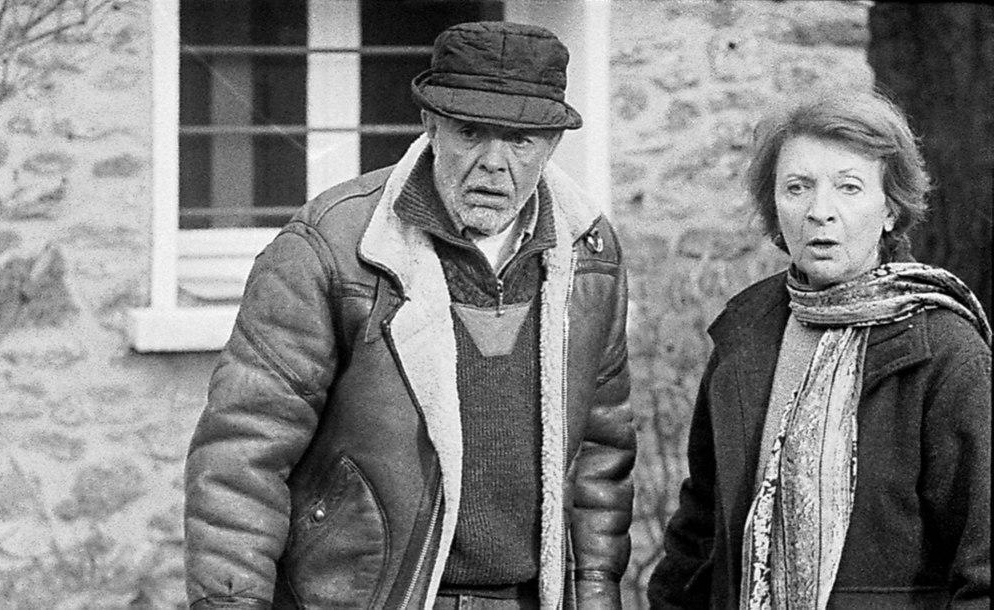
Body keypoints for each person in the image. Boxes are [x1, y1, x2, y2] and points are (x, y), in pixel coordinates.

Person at [184, 21, 635, 610]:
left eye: (521, 141)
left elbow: (602, 455)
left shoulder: (589, 256)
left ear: (551, 145)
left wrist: (597, 596)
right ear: (431, 126)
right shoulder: (334, 245)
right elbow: (242, 453)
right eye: (471, 132)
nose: (494, 164)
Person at [647, 88, 991, 609]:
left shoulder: (945, 351)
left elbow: (983, 563)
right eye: (797, 188)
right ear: (775, 206)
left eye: (849, 188)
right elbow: (699, 535)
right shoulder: (745, 336)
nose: (819, 211)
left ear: (891, 210)